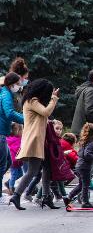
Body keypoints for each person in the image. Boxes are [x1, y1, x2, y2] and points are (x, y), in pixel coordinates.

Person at [9, 79, 60, 210]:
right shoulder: (32, 101)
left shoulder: (34, 101)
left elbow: (44, 116)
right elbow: (46, 112)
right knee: (33, 171)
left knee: (47, 168)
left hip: (40, 141)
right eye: (48, 93)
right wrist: (54, 98)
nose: (48, 96)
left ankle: (46, 197)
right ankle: (16, 195)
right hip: (34, 141)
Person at [64, 123, 93, 208]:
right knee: (86, 184)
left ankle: (68, 197)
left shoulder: (83, 141)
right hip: (84, 167)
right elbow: (87, 154)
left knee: (82, 184)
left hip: (79, 165)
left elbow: (81, 153)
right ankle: (85, 202)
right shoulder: (90, 142)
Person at [0, 72, 24, 200]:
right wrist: (25, 119)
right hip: (1, 132)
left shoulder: (6, 93)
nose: (19, 85)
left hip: (3, 131)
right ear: (11, 84)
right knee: (2, 164)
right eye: (18, 83)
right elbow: (9, 113)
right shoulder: (6, 94)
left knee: (8, 162)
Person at [6, 123, 24, 196]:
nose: (22, 132)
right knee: (14, 175)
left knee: (20, 174)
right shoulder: (16, 139)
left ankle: (9, 183)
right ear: (17, 131)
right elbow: (18, 149)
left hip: (16, 161)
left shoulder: (12, 138)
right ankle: (11, 189)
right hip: (14, 161)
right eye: (21, 130)